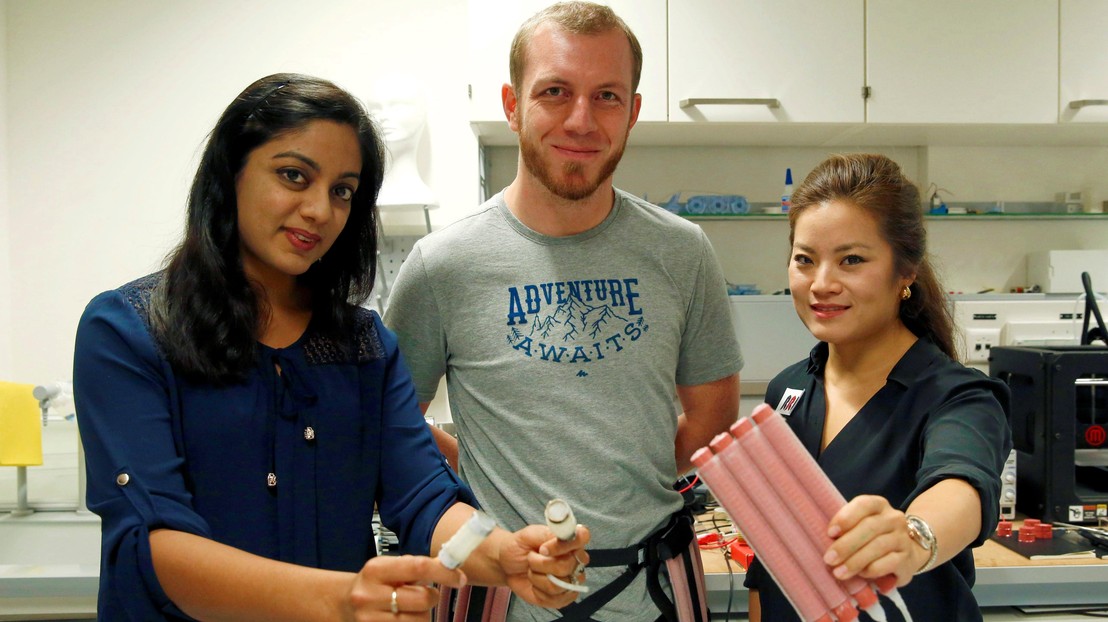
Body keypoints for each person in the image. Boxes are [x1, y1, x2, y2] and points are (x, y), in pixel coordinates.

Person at [72, 73, 590, 621]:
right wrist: (340, 599)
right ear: (230, 174)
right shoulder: (130, 331)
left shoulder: (363, 346)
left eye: (342, 191)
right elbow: (154, 545)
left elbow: (425, 499)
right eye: (294, 176)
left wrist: (501, 555)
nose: (321, 210)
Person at [383, 3, 742, 620]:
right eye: (555, 91)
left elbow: (712, 418)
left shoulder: (682, 253)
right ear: (513, 103)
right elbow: (393, 428)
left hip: (652, 593)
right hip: (500, 598)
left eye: (606, 95)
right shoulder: (442, 264)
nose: (581, 119)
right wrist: (479, 468)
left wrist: (626, 476)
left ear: (632, 111)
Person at [745, 153, 1012, 622]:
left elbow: (962, 483)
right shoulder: (787, 391)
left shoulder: (958, 396)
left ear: (905, 272)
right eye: (804, 260)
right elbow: (771, 560)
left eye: (851, 260)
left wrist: (912, 539)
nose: (821, 284)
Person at [367, 74, 437, 208]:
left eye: (396, 107)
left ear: (422, 111)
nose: (383, 117)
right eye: (376, 109)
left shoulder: (421, 195)